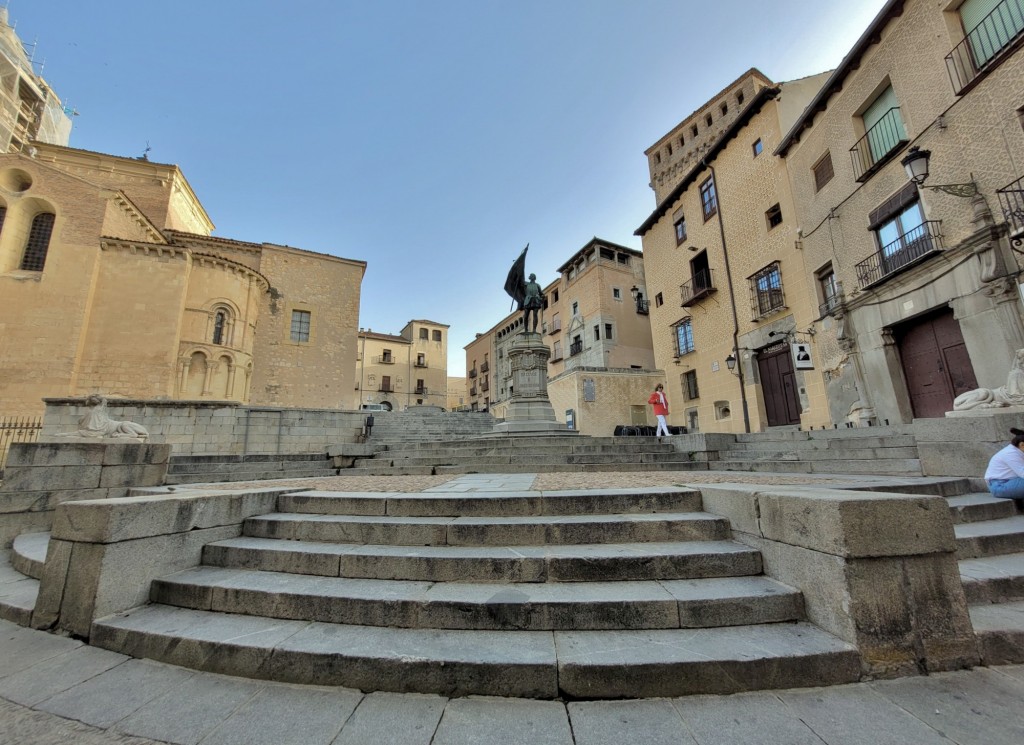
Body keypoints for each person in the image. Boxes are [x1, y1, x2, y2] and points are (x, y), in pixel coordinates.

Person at [985, 428, 1024, 501]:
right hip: (1000, 485)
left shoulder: (1018, 452)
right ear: (1022, 445)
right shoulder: (1011, 454)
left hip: (1012, 481)